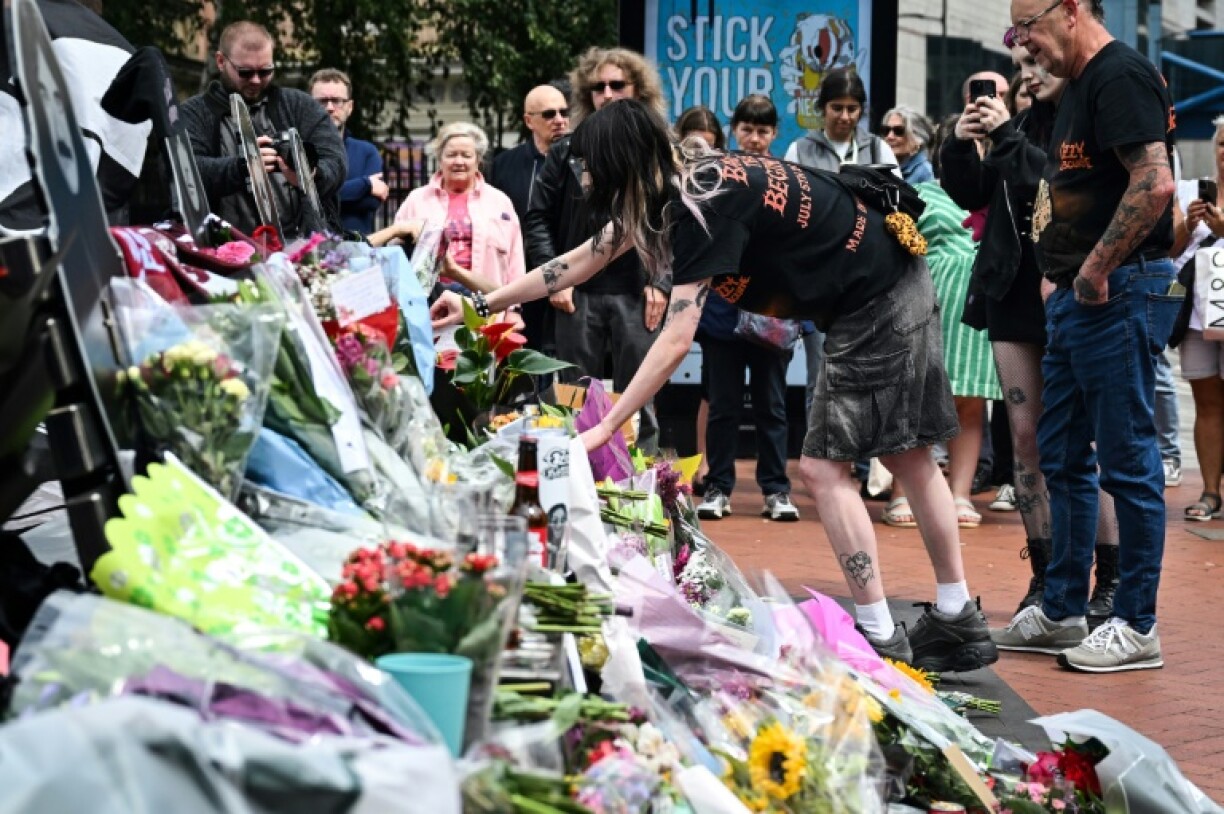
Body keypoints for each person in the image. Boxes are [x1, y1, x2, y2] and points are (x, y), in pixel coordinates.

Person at [433, 99, 1000, 673]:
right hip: (887, 278)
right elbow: (576, 263)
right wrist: (478, 304)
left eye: (589, 168)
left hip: (876, 297)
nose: (583, 180)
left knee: (825, 470)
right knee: (907, 455)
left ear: (618, 165)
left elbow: (677, 337)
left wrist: (605, 427)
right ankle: (957, 619)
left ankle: (881, 636)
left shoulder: (701, 204)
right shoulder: (676, 187)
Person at [989, 0, 1178, 673]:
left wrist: (1094, 270)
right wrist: (1059, 274)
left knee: (1127, 458)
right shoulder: (1079, 87)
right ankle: (1064, 607)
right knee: (1062, 453)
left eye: (1028, 28)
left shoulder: (1118, 75)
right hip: (1078, 296)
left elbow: (1155, 183)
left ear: (1070, 9)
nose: (1025, 45)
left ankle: (1136, 622)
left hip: (1115, 291)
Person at [942, 43, 1120, 622]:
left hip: (1072, 287)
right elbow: (969, 194)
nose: (1027, 78)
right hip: (1013, 293)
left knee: (1084, 444)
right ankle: (1044, 576)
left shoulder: (1083, 126)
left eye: (1035, 68)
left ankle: (1110, 576)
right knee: (1025, 439)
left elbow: (1058, 189)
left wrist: (1007, 141)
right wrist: (961, 141)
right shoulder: (1011, 127)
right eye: (1020, 72)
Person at [524, 47, 670, 453]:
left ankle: (644, 494)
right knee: (572, 396)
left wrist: (661, 281)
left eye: (617, 85)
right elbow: (537, 217)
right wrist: (556, 280)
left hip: (638, 294)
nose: (606, 93)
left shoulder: (659, 150)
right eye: (597, 87)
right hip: (578, 294)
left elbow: (676, 223)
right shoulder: (566, 150)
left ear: (638, 89)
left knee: (641, 399)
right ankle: (574, 484)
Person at [782, 68, 900, 498]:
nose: (845, 117)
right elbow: (790, 209)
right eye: (837, 108)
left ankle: (868, 469)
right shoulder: (801, 148)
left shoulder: (878, 146)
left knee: (868, 376)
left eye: (852, 109)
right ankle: (825, 466)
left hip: (867, 280)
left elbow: (896, 206)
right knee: (821, 377)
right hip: (819, 281)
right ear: (821, 109)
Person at [694, 95, 798, 522]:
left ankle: (775, 490)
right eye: (747, 129)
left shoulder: (792, 178)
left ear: (774, 134)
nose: (754, 139)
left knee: (773, 405)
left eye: (763, 131)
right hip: (723, 310)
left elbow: (800, 245)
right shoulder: (714, 176)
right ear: (732, 129)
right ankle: (718, 486)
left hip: (773, 310)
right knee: (723, 405)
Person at [181, 21, 346, 238]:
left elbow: (336, 161)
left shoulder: (299, 105)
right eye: (246, 72)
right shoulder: (193, 113)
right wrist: (242, 166)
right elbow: (183, 173)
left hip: (300, 247)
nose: (256, 80)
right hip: (222, 250)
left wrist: (309, 173)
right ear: (221, 61)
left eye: (265, 70)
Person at [917, 118, 1002, 530]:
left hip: (981, 311)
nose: (976, 150)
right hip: (932, 310)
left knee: (970, 403)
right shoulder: (921, 194)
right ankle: (908, 493)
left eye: (982, 142)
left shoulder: (1002, 192)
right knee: (922, 401)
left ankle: (960, 493)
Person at [394, 122, 524, 295]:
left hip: (487, 302)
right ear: (440, 159)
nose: (459, 161)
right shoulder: (417, 200)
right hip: (427, 302)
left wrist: (514, 309)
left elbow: (515, 260)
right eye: (451, 155)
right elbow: (396, 254)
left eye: (466, 155)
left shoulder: (500, 202)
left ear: (478, 160)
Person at [487, 84, 570, 354]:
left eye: (563, 112)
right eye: (548, 114)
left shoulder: (582, 160)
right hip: (521, 279)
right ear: (528, 121)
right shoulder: (504, 165)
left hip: (572, 276)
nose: (559, 120)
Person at [1170, 115, 1224, 521]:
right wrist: (1189, 225)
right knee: (1206, 402)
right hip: (1197, 315)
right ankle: (1209, 492)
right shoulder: (1191, 191)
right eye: (1222, 143)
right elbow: (1168, 251)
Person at [674, 105, 725, 492]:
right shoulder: (667, 181)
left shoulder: (726, 181)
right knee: (662, 382)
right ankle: (684, 463)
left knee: (710, 384)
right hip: (669, 288)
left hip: (713, 293)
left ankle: (705, 463)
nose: (701, 156)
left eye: (709, 148)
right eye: (693, 148)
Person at [308, 68, 388, 236]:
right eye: (321, 101)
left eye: (337, 101)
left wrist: (321, 192)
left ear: (349, 107)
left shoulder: (367, 152)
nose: (329, 108)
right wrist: (365, 184)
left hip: (358, 250)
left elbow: (370, 203)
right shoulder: (300, 152)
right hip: (310, 252)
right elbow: (307, 201)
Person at [880, 106, 936, 184]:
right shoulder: (883, 168)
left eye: (898, 131)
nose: (890, 136)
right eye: (886, 130)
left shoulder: (925, 172)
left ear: (917, 137)